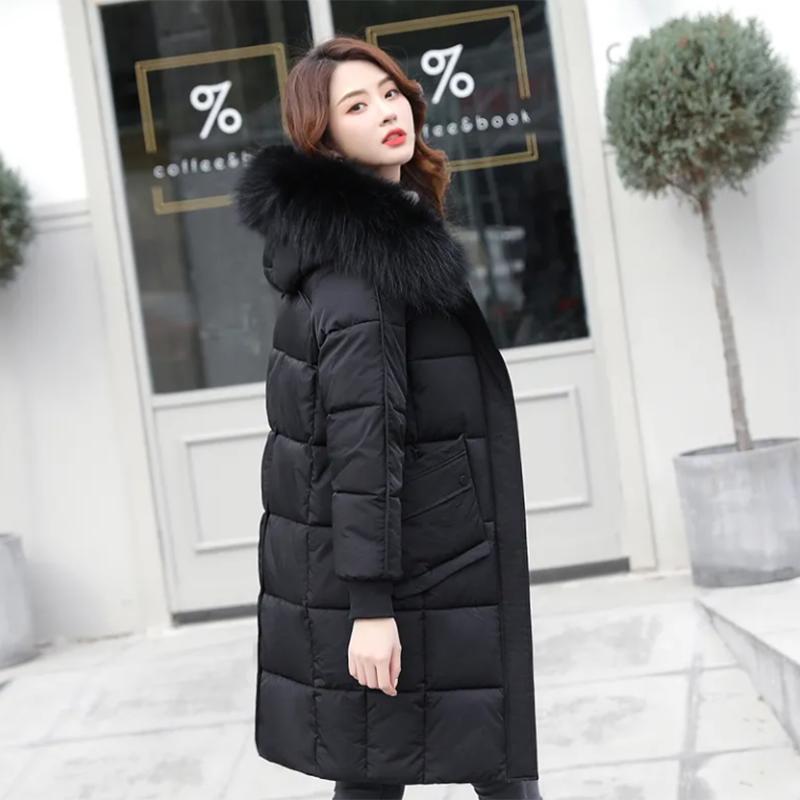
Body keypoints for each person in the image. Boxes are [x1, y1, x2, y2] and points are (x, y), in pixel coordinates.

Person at [233, 35, 543, 800]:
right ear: (325, 138)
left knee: (386, 769)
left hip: (424, 555)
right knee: (419, 768)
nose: (385, 111)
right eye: (356, 105)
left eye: (390, 92)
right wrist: (370, 610)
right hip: (418, 568)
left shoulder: (371, 240)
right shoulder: (364, 266)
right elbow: (360, 440)